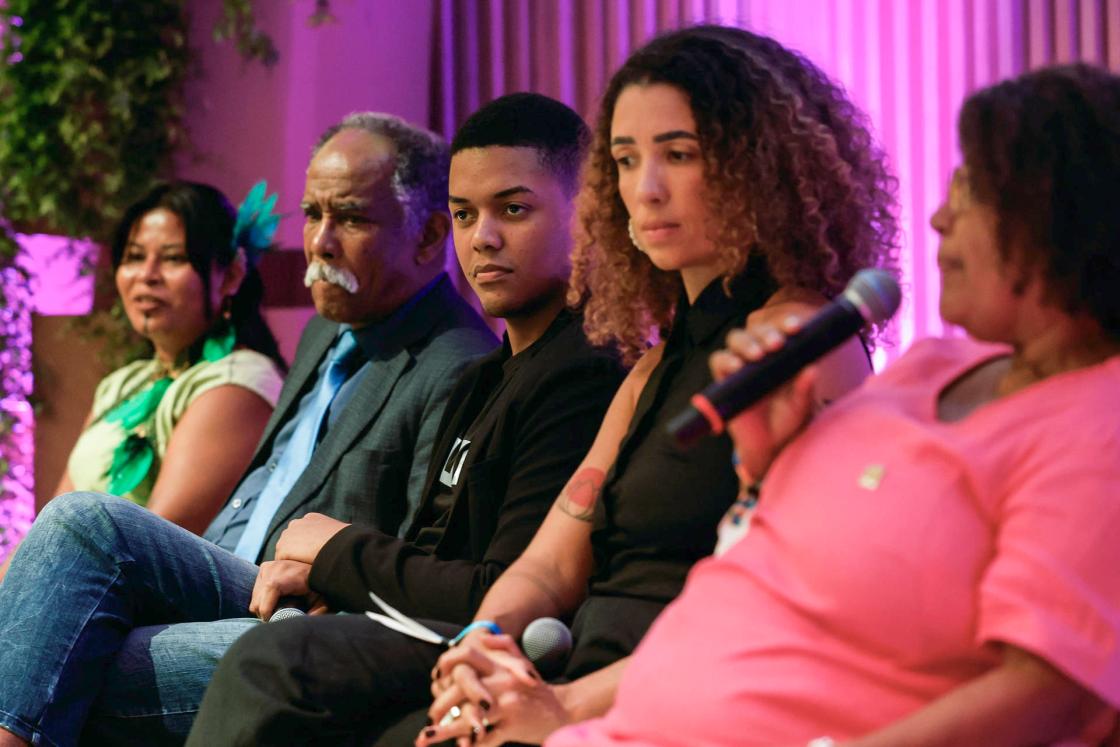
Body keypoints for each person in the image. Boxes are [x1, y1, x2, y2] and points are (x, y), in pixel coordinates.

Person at [195, 24, 898, 747]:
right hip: (577, 672)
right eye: (625, 161)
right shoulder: (656, 363)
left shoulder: (804, 343)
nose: (644, 189)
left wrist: (563, 705)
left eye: (678, 155)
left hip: (671, 700)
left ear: (758, 164)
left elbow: (778, 612)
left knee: (288, 673)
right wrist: (480, 644)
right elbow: (552, 558)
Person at [537, 62, 1120, 746]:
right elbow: (767, 559)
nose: (939, 215)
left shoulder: (1095, 425)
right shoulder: (930, 368)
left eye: (973, 191)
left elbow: (1047, 697)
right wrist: (767, 454)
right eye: (627, 160)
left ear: (1065, 217)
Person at [0, 112, 498, 747]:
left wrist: (330, 572)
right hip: (233, 582)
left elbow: (419, 568)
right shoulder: (327, 330)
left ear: (430, 236)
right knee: (47, 638)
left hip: (309, 616)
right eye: (313, 215)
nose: (320, 242)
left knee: (79, 554)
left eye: (349, 218)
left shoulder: (456, 363)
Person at [184, 91, 627, 746]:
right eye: (465, 214)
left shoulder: (583, 372)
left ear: (584, 215)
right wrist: (331, 575)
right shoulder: (486, 376)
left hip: (497, 642)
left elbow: (505, 585)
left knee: (272, 661)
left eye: (514, 209)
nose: (484, 238)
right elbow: (426, 550)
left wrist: (335, 551)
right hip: (419, 622)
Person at [2, 182, 287, 581]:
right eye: (134, 257)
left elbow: (148, 548)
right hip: (74, 589)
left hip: (146, 607)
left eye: (172, 258)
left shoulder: (240, 381)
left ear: (231, 274)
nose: (147, 276)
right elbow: (53, 525)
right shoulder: (123, 385)